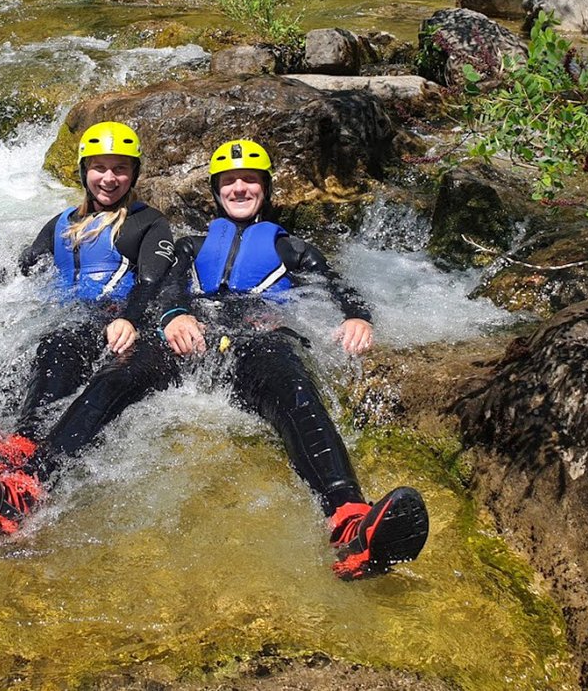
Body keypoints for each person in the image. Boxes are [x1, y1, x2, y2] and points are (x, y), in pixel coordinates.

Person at [155, 139, 429, 579]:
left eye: (249, 180)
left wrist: (357, 317)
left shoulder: (290, 248)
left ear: (265, 188)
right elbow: (165, 289)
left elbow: (336, 286)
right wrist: (175, 314)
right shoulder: (190, 246)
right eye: (229, 181)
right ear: (215, 190)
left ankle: (349, 522)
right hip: (195, 344)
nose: (239, 188)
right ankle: (32, 480)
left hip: (259, 344)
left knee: (295, 390)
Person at [0, 121, 180, 534]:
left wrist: (130, 319)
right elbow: (16, 272)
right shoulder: (61, 224)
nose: (110, 178)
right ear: (83, 170)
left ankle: (24, 456)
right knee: (8, 367)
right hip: (66, 322)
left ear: (134, 173)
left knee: (57, 344)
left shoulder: (148, 223)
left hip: (112, 323)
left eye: (120, 168)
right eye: (100, 167)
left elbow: (154, 279)